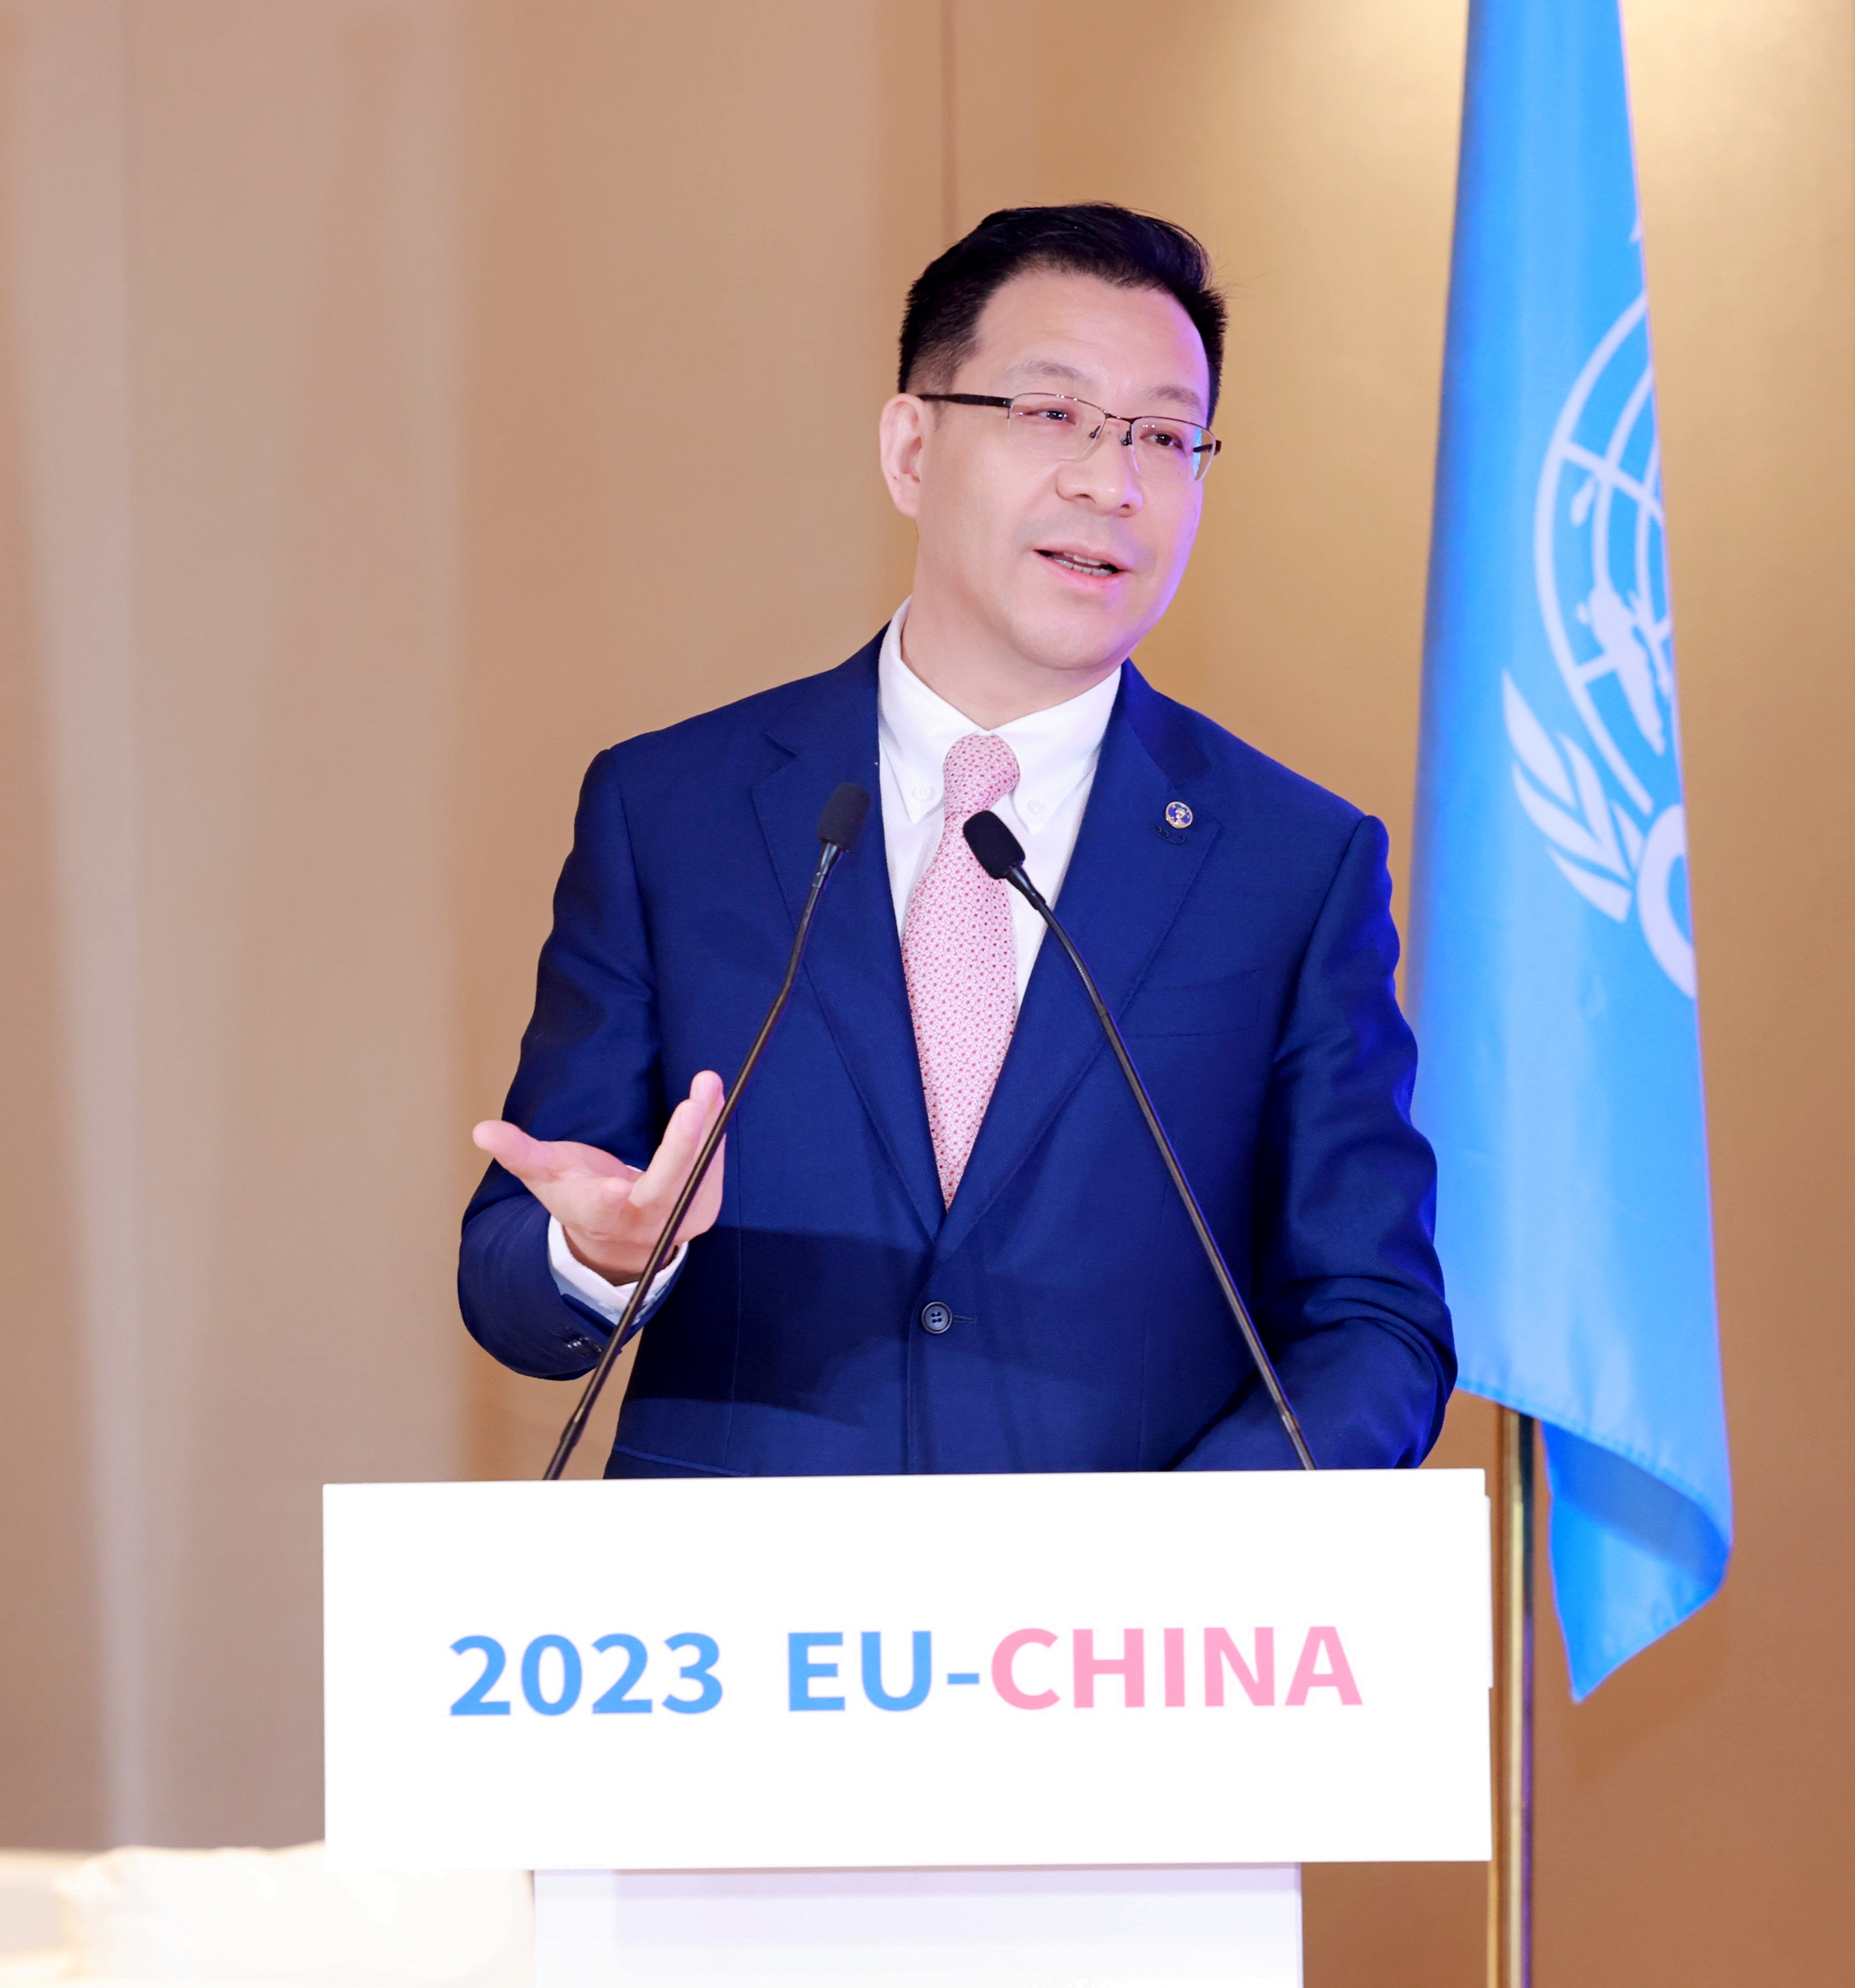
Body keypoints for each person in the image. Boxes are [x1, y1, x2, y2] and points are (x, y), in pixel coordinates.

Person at [457, 204, 1451, 1474]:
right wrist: (595, 1252)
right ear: (912, 450)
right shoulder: (673, 811)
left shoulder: (1292, 862)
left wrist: (1195, 1544)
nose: (1111, 482)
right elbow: (511, 1271)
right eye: (1051, 413)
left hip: (1128, 1600)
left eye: (1162, 435)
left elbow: (1375, 1318)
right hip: (740, 1593)